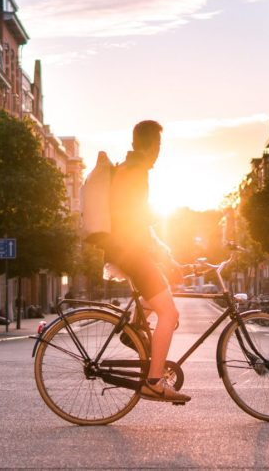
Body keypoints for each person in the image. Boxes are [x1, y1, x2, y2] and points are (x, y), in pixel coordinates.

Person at [107, 120, 190, 404]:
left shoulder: (127, 167)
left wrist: (164, 253)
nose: (158, 151)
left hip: (125, 250)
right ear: (151, 145)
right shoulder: (136, 170)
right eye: (158, 145)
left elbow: (137, 218)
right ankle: (154, 382)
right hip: (130, 252)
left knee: (165, 286)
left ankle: (132, 331)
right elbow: (136, 219)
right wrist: (161, 250)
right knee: (169, 314)